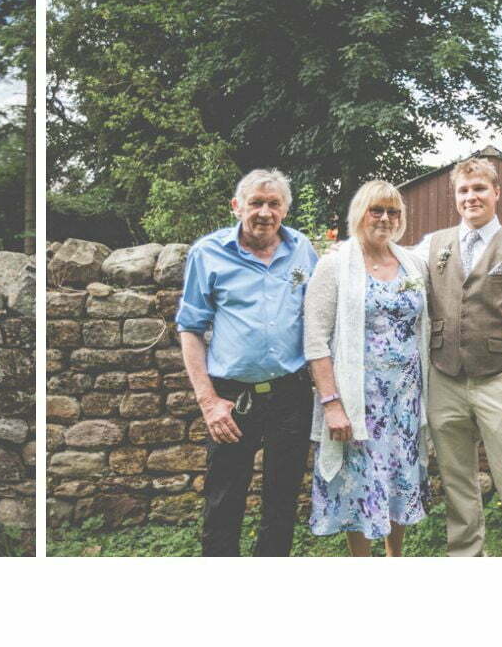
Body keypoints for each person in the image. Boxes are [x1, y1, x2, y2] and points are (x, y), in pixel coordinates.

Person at [176, 169, 321, 557]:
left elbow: (319, 317)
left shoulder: (303, 250)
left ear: (286, 209)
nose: (264, 212)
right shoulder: (208, 253)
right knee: (224, 497)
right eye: (255, 202)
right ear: (237, 206)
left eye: (273, 204)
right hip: (231, 396)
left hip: (291, 392)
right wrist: (208, 402)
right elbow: (190, 328)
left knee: (283, 498)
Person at [411, 157, 502, 557]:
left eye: (479, 189)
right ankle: (467, 557)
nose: (471, 197)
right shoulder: (431, 246)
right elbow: (393, 274)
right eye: (464, 191)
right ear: (455, 197)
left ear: (496, 193)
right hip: (445, 377)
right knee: (457, 481)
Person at [303, 180, 429, 557]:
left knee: (398, 477)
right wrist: (331, 403)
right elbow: (315, 339)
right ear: (360, 213)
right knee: (358, 483)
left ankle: (395, 557)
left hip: (405, 398)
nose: (386, 218)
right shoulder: (334, 265)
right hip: (359, 398)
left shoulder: (412, 263)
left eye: (393, 211)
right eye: (377, 210)